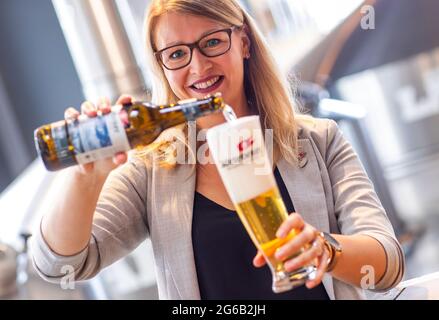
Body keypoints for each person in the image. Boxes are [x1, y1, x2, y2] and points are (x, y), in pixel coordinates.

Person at [30, 0, 404, 300]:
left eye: (211, 42)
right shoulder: (151, 169)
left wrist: (326, 250)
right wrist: (84, 177)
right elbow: (59, 265)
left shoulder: (319, 141)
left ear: (243, 41)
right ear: (162, 66)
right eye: (176, 54)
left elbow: (387, 264)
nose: (198, 65)